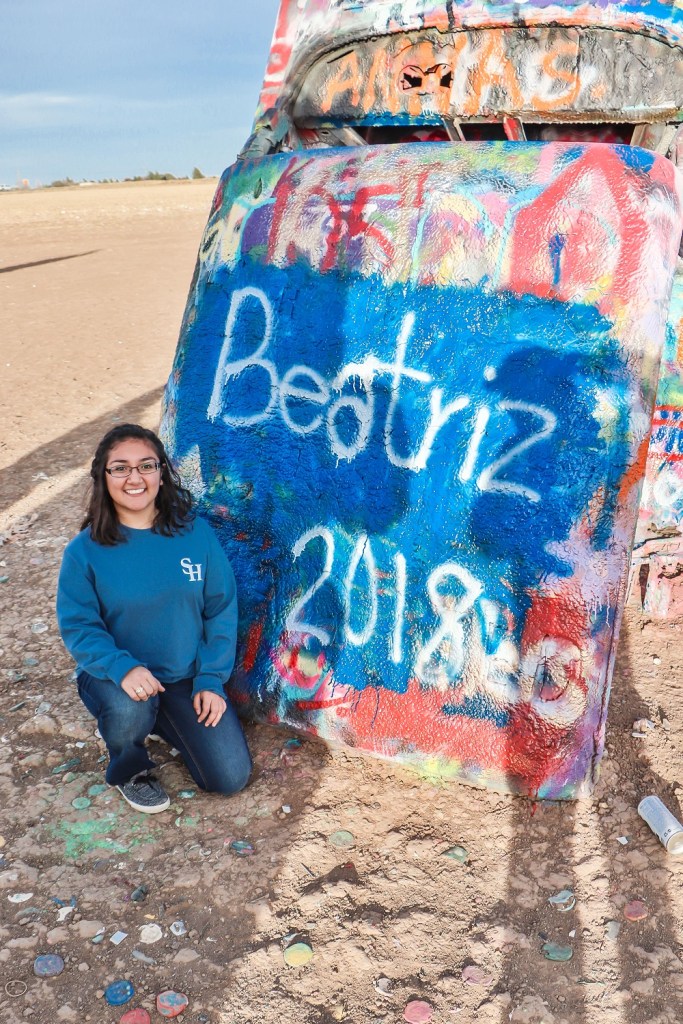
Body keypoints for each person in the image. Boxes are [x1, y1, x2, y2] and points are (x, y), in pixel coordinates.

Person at [56, 423, 251, 813]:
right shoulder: (85, 551)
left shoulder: (195, 535)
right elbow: (80, 626)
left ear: (162, 472)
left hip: (182, 678)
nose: (135, 477)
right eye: (120, 468)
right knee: (130, 707)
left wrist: (210, 679)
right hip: (117, 675)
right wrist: (122, 667)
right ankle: (129, 765)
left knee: (229, 778)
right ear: (103, 476)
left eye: (146, 465)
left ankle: (160, 719)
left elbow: (220, 609)